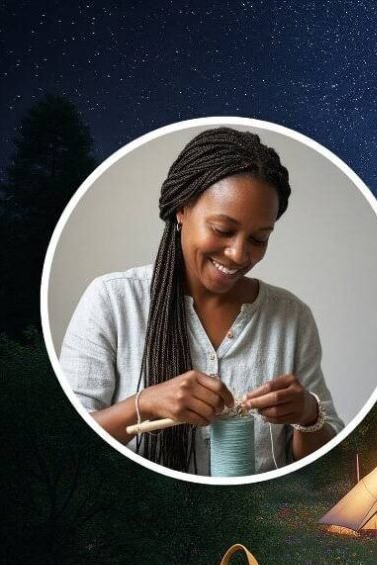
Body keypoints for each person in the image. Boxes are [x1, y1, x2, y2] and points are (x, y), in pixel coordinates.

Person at [59, 126, 343, 475]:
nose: (239, 254)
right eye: (223, 230)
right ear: (182, 209)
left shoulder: (292, 317)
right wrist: (144, 403)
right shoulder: (111, 301)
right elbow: (61, 446)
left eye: (259, 238)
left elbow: (327, 470)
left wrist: (308, 415)